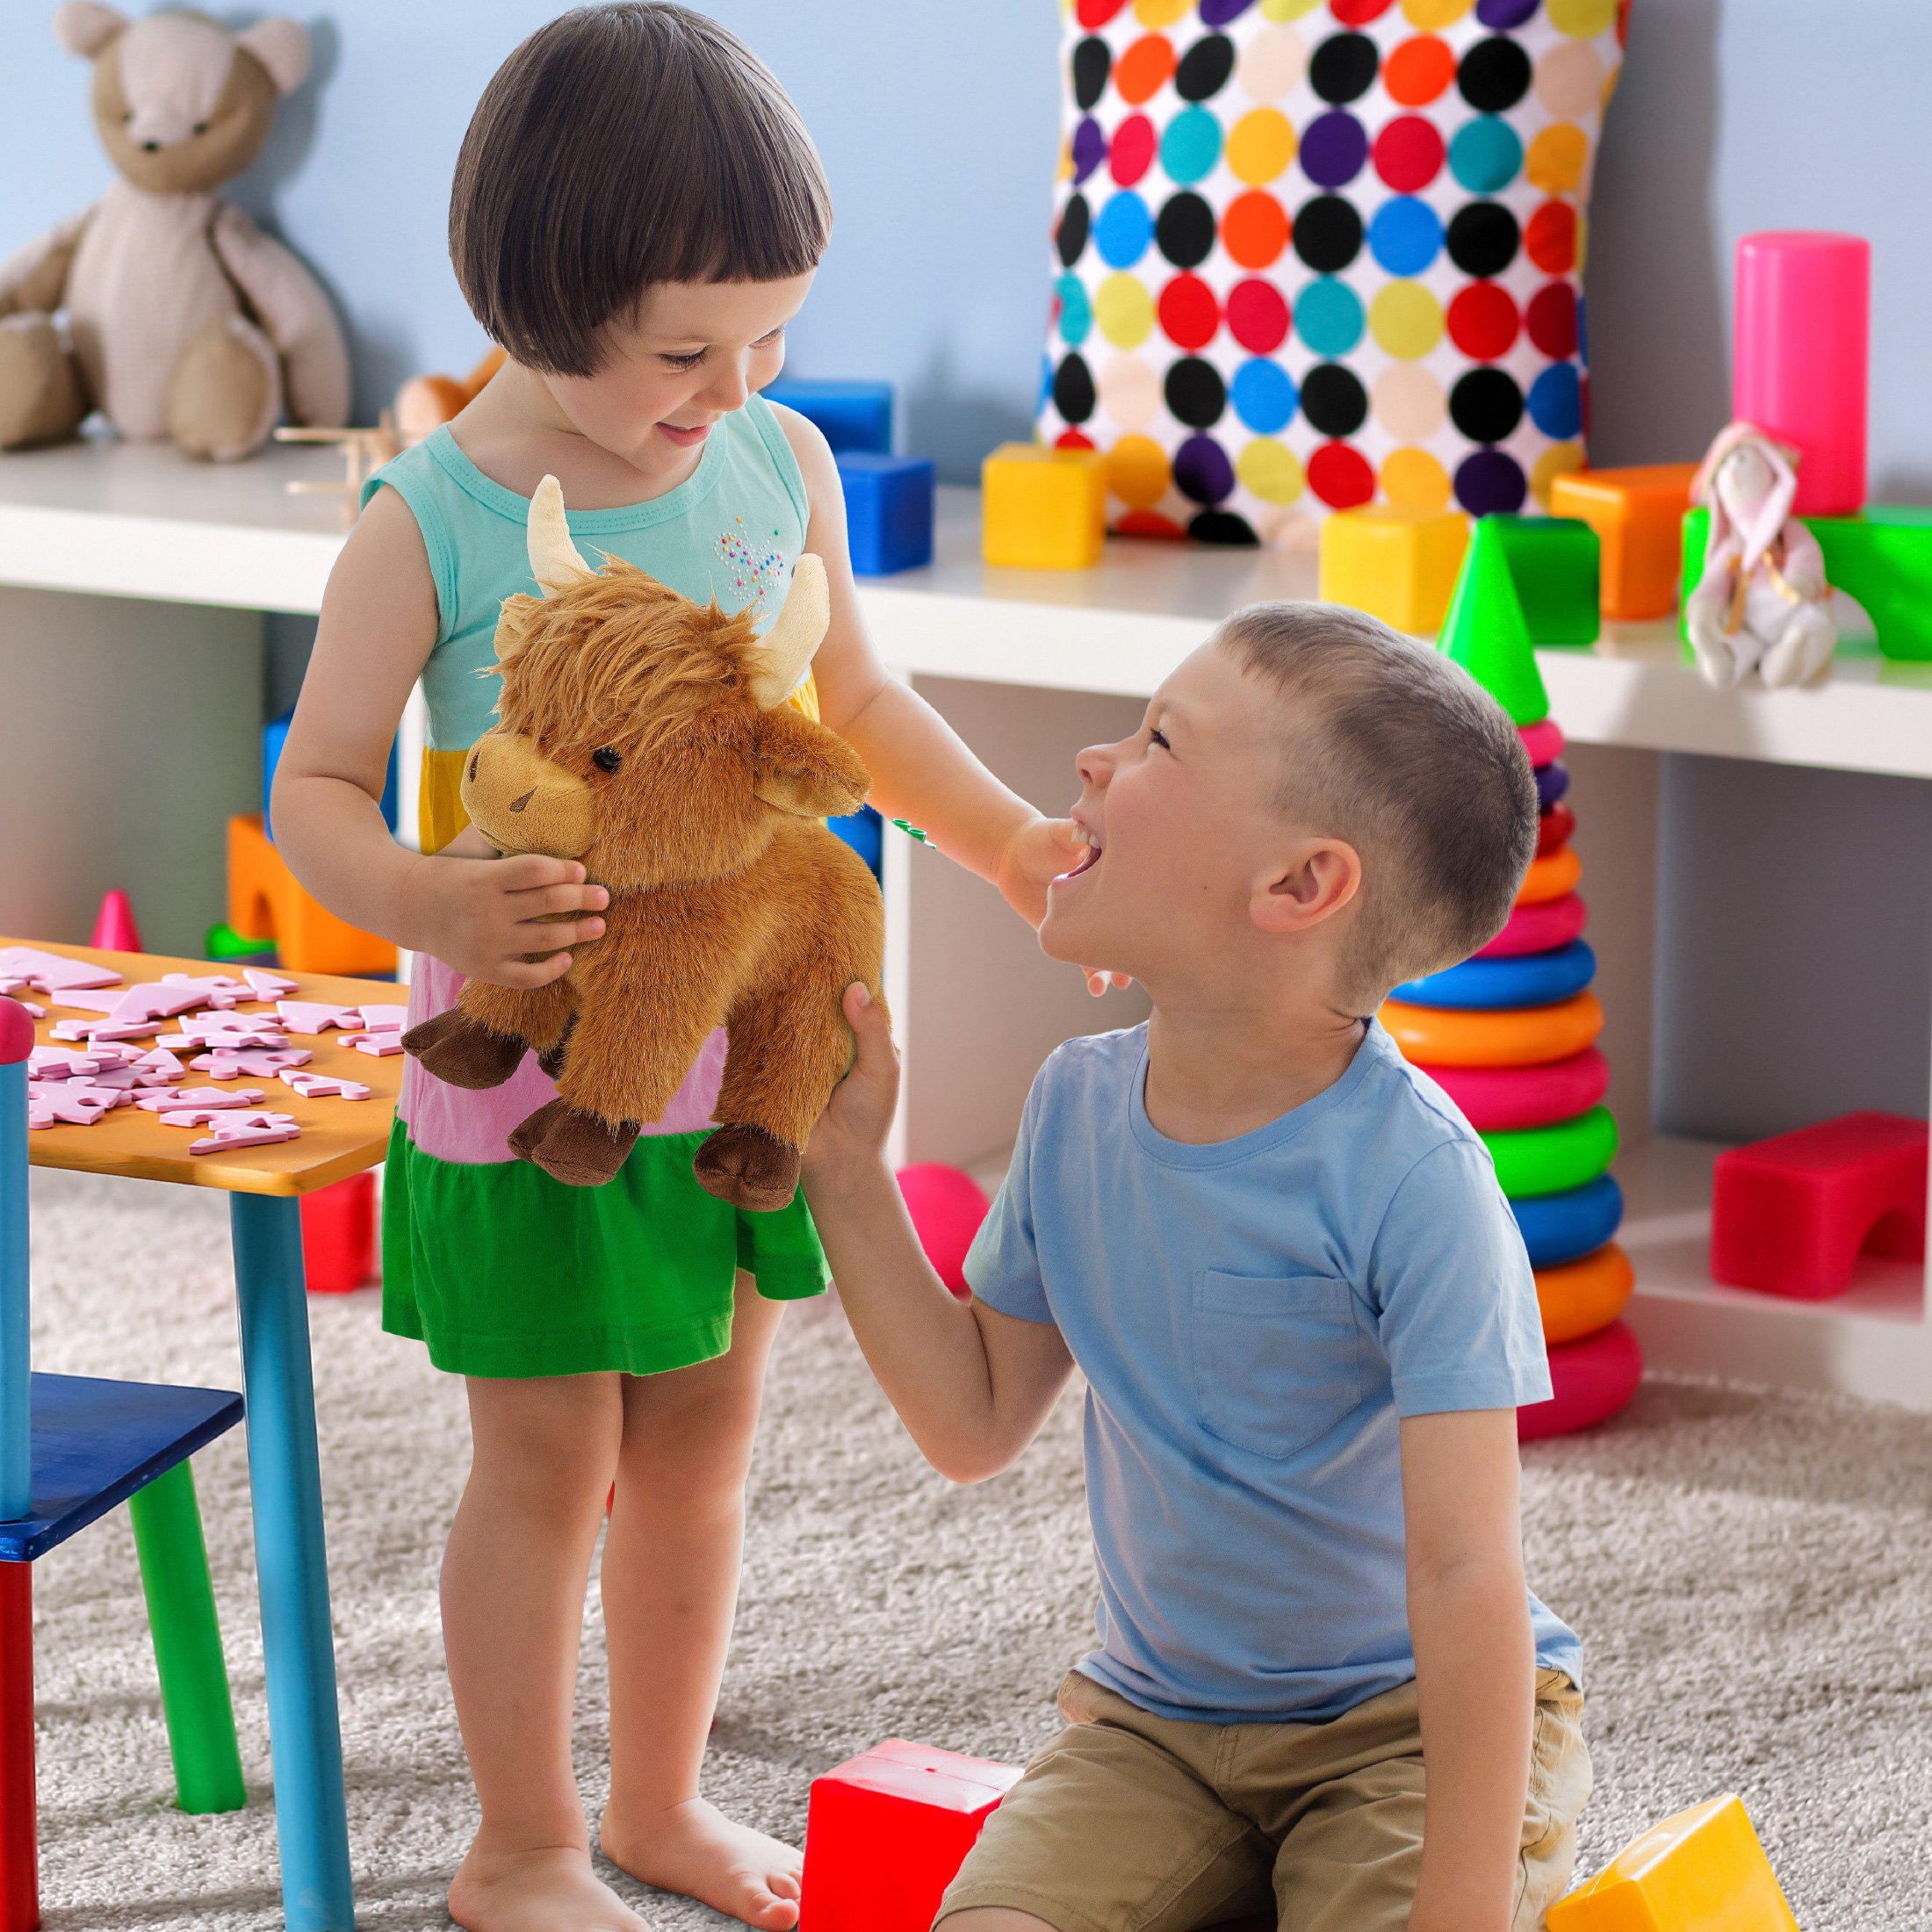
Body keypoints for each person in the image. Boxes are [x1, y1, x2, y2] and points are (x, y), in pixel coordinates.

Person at [270, 9, 1086, 1930]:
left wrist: (1003, 842)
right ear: (539, 303)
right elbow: (313, 786)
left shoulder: (774, 461)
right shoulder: (430, 518)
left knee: (705, 1446)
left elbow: (855, 700)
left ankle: (654, 1804)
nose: (736, 387)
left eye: (770, 337)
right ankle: (521, 1842)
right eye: (685, 352)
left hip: (740, 1063)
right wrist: (430, 901)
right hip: (529, 1068)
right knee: (550, 1457)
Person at [803, 602, 1594, 1932]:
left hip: (1403, 1735)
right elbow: (972, 1419)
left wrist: (1459, 1907)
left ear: (1299, 887)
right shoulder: (1072, 1105)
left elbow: (1469, 1576)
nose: (1095, 760)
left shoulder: (1419, 1179)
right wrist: (845, 1168)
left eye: (1159, 741)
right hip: (1154, 1729)